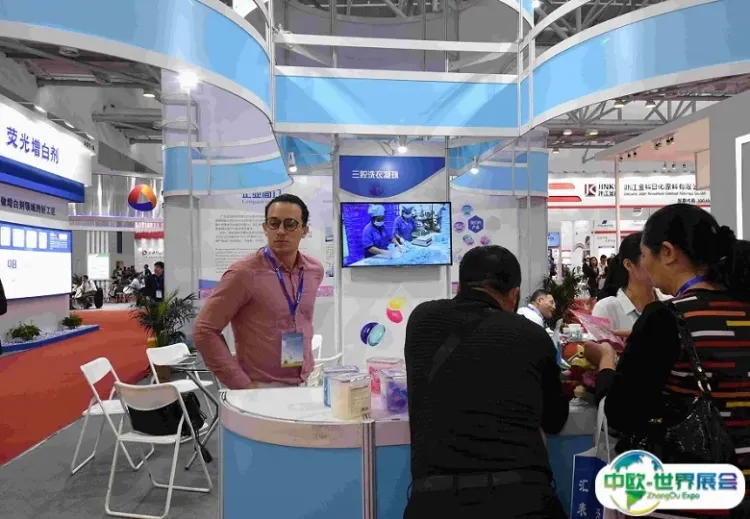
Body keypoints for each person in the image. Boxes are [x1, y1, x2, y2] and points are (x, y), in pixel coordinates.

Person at [584, 204, 750, 518]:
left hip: (693, 491)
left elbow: (622, 413)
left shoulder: (666, 318)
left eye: (646, 255)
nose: (645, 265)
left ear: (668, 253)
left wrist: (606, 360)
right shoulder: (741, 309)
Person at [403, 245, 569, 519]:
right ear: (514, 294)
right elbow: (554, 420)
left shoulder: (421, 320)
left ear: (460, 286)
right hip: (523, 500)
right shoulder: (532, 335)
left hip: (435, 503)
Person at [193, 193, 324, 389]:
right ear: (265, 228)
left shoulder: (314, 270)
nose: (281, 231)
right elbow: (204, 330)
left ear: (304, 230)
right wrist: (242, 385)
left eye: (290, 224)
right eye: (274, 223)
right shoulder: (244, 273)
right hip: (261, 387)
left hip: (305, 380)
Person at [592, 232, 667, 337]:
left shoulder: (670, 303)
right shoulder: (606, 309)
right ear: (628, 264)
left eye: (660, 257)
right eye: (649, 257)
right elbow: (599, 346)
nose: (660, 264)